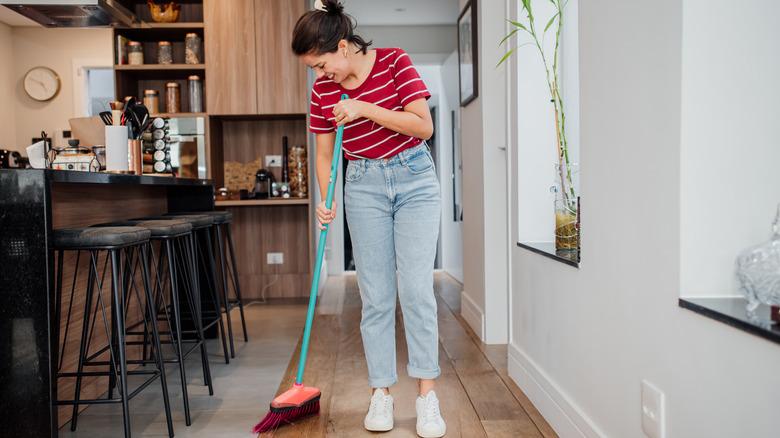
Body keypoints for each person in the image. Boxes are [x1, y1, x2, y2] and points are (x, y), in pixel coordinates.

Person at [291, 1, 445, 436]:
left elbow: (423, 127)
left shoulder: (395, 60)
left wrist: (362, 108)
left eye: (322, 65)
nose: (321, 76)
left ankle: (426, 396)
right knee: (375, 296)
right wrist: (326, 198)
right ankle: (381, 394)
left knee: (416, 290)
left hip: (414, 178)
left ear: (342, 46)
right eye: (314, 69)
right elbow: (324, 154)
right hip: (362, 184)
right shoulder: (322, 92)